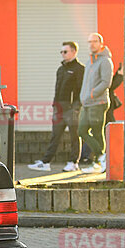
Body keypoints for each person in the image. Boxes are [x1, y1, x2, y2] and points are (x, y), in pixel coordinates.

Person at [28, 41, 85, 172]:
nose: (63, 54)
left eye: (65, 51)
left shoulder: (80, 69)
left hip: (72, 109)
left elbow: (80, 89)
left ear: (74, 52)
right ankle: (46, 162)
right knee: (55, 136)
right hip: (59, 108)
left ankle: (73, 162)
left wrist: (76, 107)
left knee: (74, 136)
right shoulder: (61, 69)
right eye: (61, 52)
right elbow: (57, 89)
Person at [78, 32, 113, 173]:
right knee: (82, 130)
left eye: (95, 41)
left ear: (101, 44)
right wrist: (83, 96)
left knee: (97, 133)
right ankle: (101, 158)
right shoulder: (89, 62)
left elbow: (106, 82)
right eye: (89, 42)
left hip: (98, 102)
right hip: (87, 103)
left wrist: (92, 94)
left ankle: (102, 159)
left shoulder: (105, 61)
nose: (92, 44)